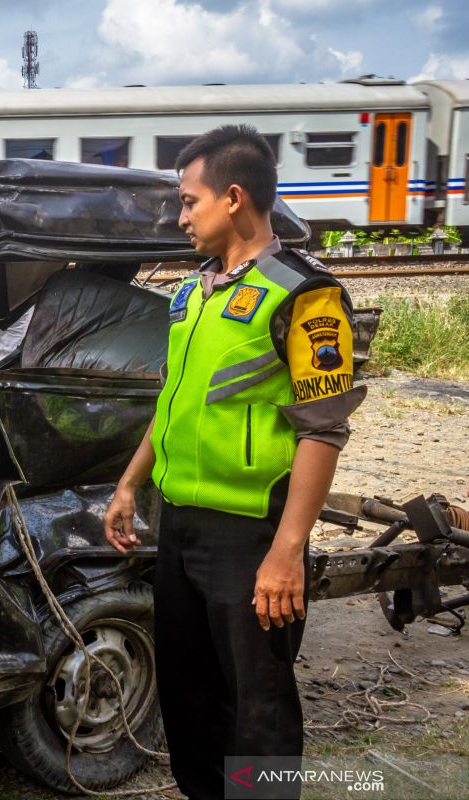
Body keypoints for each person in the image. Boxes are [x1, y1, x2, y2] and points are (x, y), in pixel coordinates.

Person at [103, 125, 365, 800]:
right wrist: (130, 484)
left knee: (258, 706)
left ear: (234, 198)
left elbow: (321, 431)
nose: (181, 216)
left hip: (250, 537)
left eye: (191, 201)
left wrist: (286, 553)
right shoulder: (193, 295)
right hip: (180, 525)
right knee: (189, 697)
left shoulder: (305, 296)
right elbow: (172, 400)